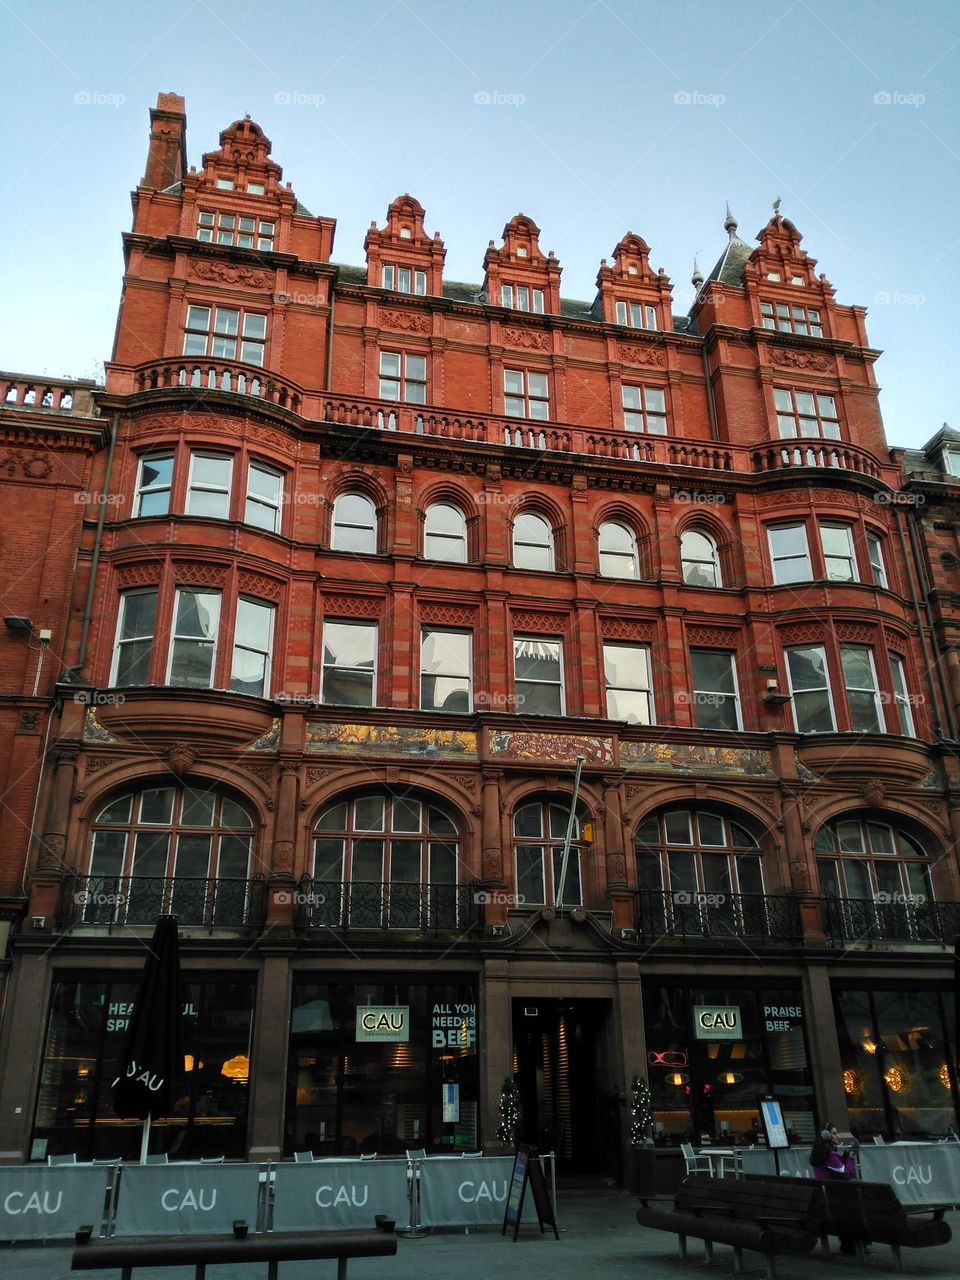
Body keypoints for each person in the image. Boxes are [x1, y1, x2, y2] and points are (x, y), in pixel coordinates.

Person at [810, 1122, 859, 1255]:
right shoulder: (831, 1155)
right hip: (835, 1199)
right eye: (834, 1134)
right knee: (855, 1209)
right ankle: (851, 1246)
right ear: (826, 1136)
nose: (837, 1136)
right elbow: (846, 1175)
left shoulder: (819, 1153)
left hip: (825, 1199)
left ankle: (849, 1245)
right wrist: (850, 1158)